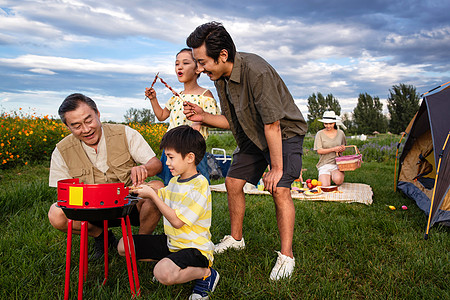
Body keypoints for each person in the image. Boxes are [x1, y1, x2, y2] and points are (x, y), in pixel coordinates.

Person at [183, 21, 308, 280]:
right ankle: (236, 239)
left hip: (284, 134)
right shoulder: (220, 77)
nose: (199, 68)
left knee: (280, 188)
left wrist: (276, 169)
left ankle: (287, 256)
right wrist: (203, 115)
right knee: (232, 181)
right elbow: (232, 120)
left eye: (203, 62)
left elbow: (272, 124)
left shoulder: (256, 71)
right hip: (254, 135)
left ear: (223, 55)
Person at [48, 93, 164, 259]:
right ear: (68, 127)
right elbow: (64, 195)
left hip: (129, 204)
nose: (86, 129)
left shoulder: (125, 133)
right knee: (56, 214)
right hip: (89, 210)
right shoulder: (61, 150)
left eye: (89, 121)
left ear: (98, 114)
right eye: (76, 126)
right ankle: (101, 236)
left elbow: (156, 164)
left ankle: (138, 243)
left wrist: (144, 168)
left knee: (158, 188)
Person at [119, 125, 218, 300]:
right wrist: (141, 190)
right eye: (166, 157)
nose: (166, 163)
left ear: (190, 158)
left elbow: (177, 221)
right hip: (173, 244)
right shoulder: (174, 182)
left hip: (195, 250)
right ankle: (171, 262)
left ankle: (206, 274)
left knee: (162, 273)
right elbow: (160, 194)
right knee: (123, 245)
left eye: (170, 157)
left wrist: (152, 196)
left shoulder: (200, 185)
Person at [145, 48, 220, 185]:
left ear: (198, 69)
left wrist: (199, 121)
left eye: (185, 63)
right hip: (171, 147)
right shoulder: (176, 97)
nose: (179, 67)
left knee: (196, 184)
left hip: (192, 149)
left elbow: (214, 119)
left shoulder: (205, 95)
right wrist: (153, 99)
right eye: (176, 63)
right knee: (171, 184)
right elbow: (162, 116)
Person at [314, 111, 347, 186]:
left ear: (334, 123)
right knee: (324, 186)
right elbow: (319, 151)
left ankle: (336, 174)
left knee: (338, 180)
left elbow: (343, 146)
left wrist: (342, 148)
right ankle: (327, 175)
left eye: (330, 124)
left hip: (337, 164)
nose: (328, 126)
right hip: (324, 164)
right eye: (326, 123)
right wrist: (333, 149)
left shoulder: (341, 133)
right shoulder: (319, 134)